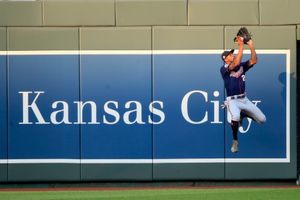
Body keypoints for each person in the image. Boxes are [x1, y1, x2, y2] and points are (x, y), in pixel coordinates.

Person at [220, 36, 266, 153]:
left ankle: (243, 115)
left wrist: (250, 45)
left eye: (232, 53)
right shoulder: (224, 69)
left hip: (244, 99)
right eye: (230, 54)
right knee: (234, 117)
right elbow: (235, 64)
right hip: (232, 100)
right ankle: (235, 141)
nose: (232, 55)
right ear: (225, 59)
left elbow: (254, 60)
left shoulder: (241, 66)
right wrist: (241, 46)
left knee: (262, 120)